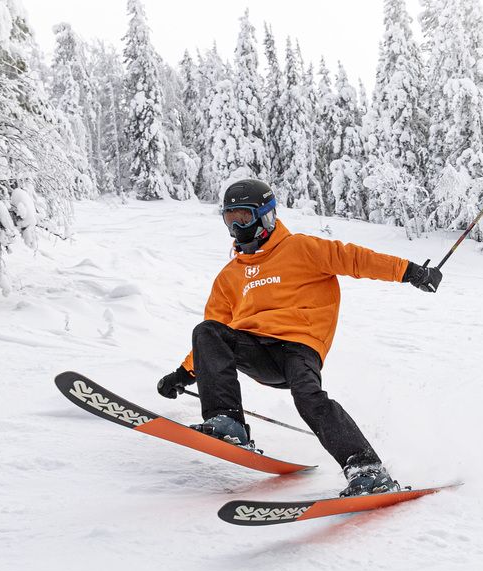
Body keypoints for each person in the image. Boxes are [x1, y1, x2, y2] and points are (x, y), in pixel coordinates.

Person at [156, 178, 442, 497]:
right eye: (230, 220)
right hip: (257, 353)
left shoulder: (303, 249)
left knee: (308, 398)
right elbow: (212, 337)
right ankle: (227, 423)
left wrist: (411, 272)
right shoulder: (230, 276)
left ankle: (367, 469)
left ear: (266, 216)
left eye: (244, 218)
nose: (238, 228)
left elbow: (357, 260)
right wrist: (184, 374)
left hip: (298, 347)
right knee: (206, 331)